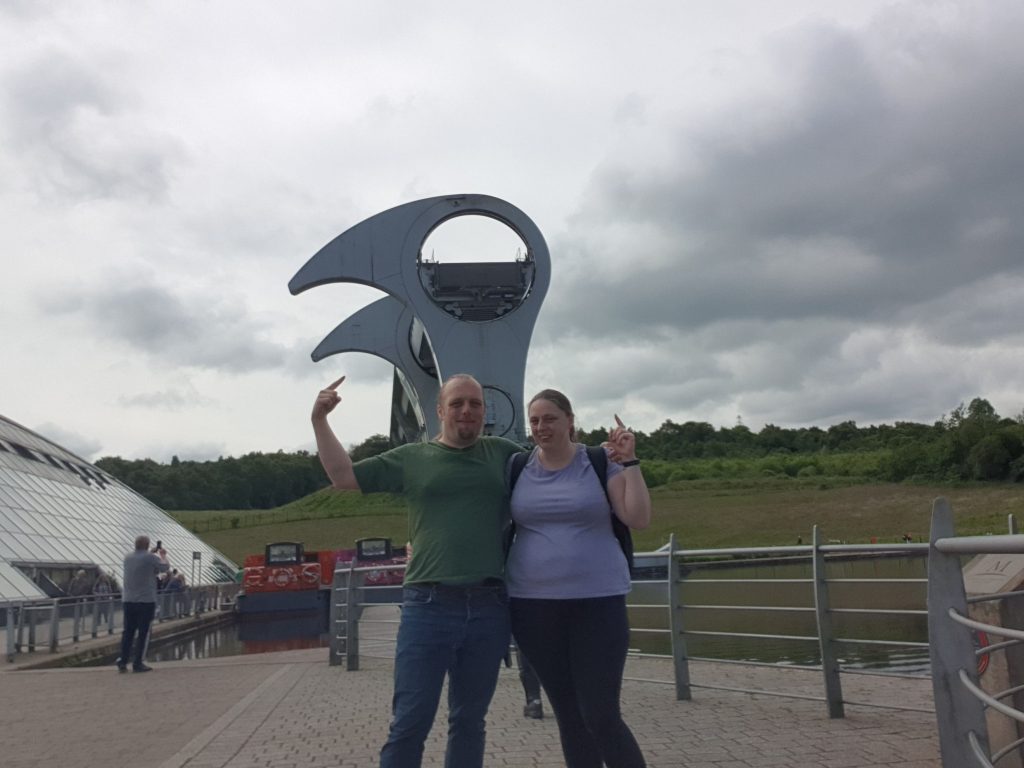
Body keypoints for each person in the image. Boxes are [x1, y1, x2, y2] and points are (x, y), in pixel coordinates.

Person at [312, 373, 522, 768]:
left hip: (488, 606)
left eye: (475, 404)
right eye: (457, 403)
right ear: (440, 410)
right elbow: (343, 477)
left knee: (470, 721)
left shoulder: (504, 454)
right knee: (410, 722)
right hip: (429, 606)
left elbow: (553, 468)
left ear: (484, 412)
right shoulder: (413, 458)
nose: (466, 411)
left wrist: (609, 459)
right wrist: (320, 421)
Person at [506, 389, 652, 768]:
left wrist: (631, 462)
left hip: (597, 603)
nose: (541, 427)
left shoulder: (601, 461)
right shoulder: (518, 467)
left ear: (570, 421)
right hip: (533, 608)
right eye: (535, 420)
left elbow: (637, 518)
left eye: (550, 418)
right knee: (569, 717)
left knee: (601, 715)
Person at [118, 535, 169, 673]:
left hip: (128, 600)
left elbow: (142, 565)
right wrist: (163, 555)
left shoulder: (128, 558)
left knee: (128, 632)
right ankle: (138, 662)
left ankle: (123, 660)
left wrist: (150, 552)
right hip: (145, 601)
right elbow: (164, 567)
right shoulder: (151, 558)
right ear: (147, 545)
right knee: (143, 633)